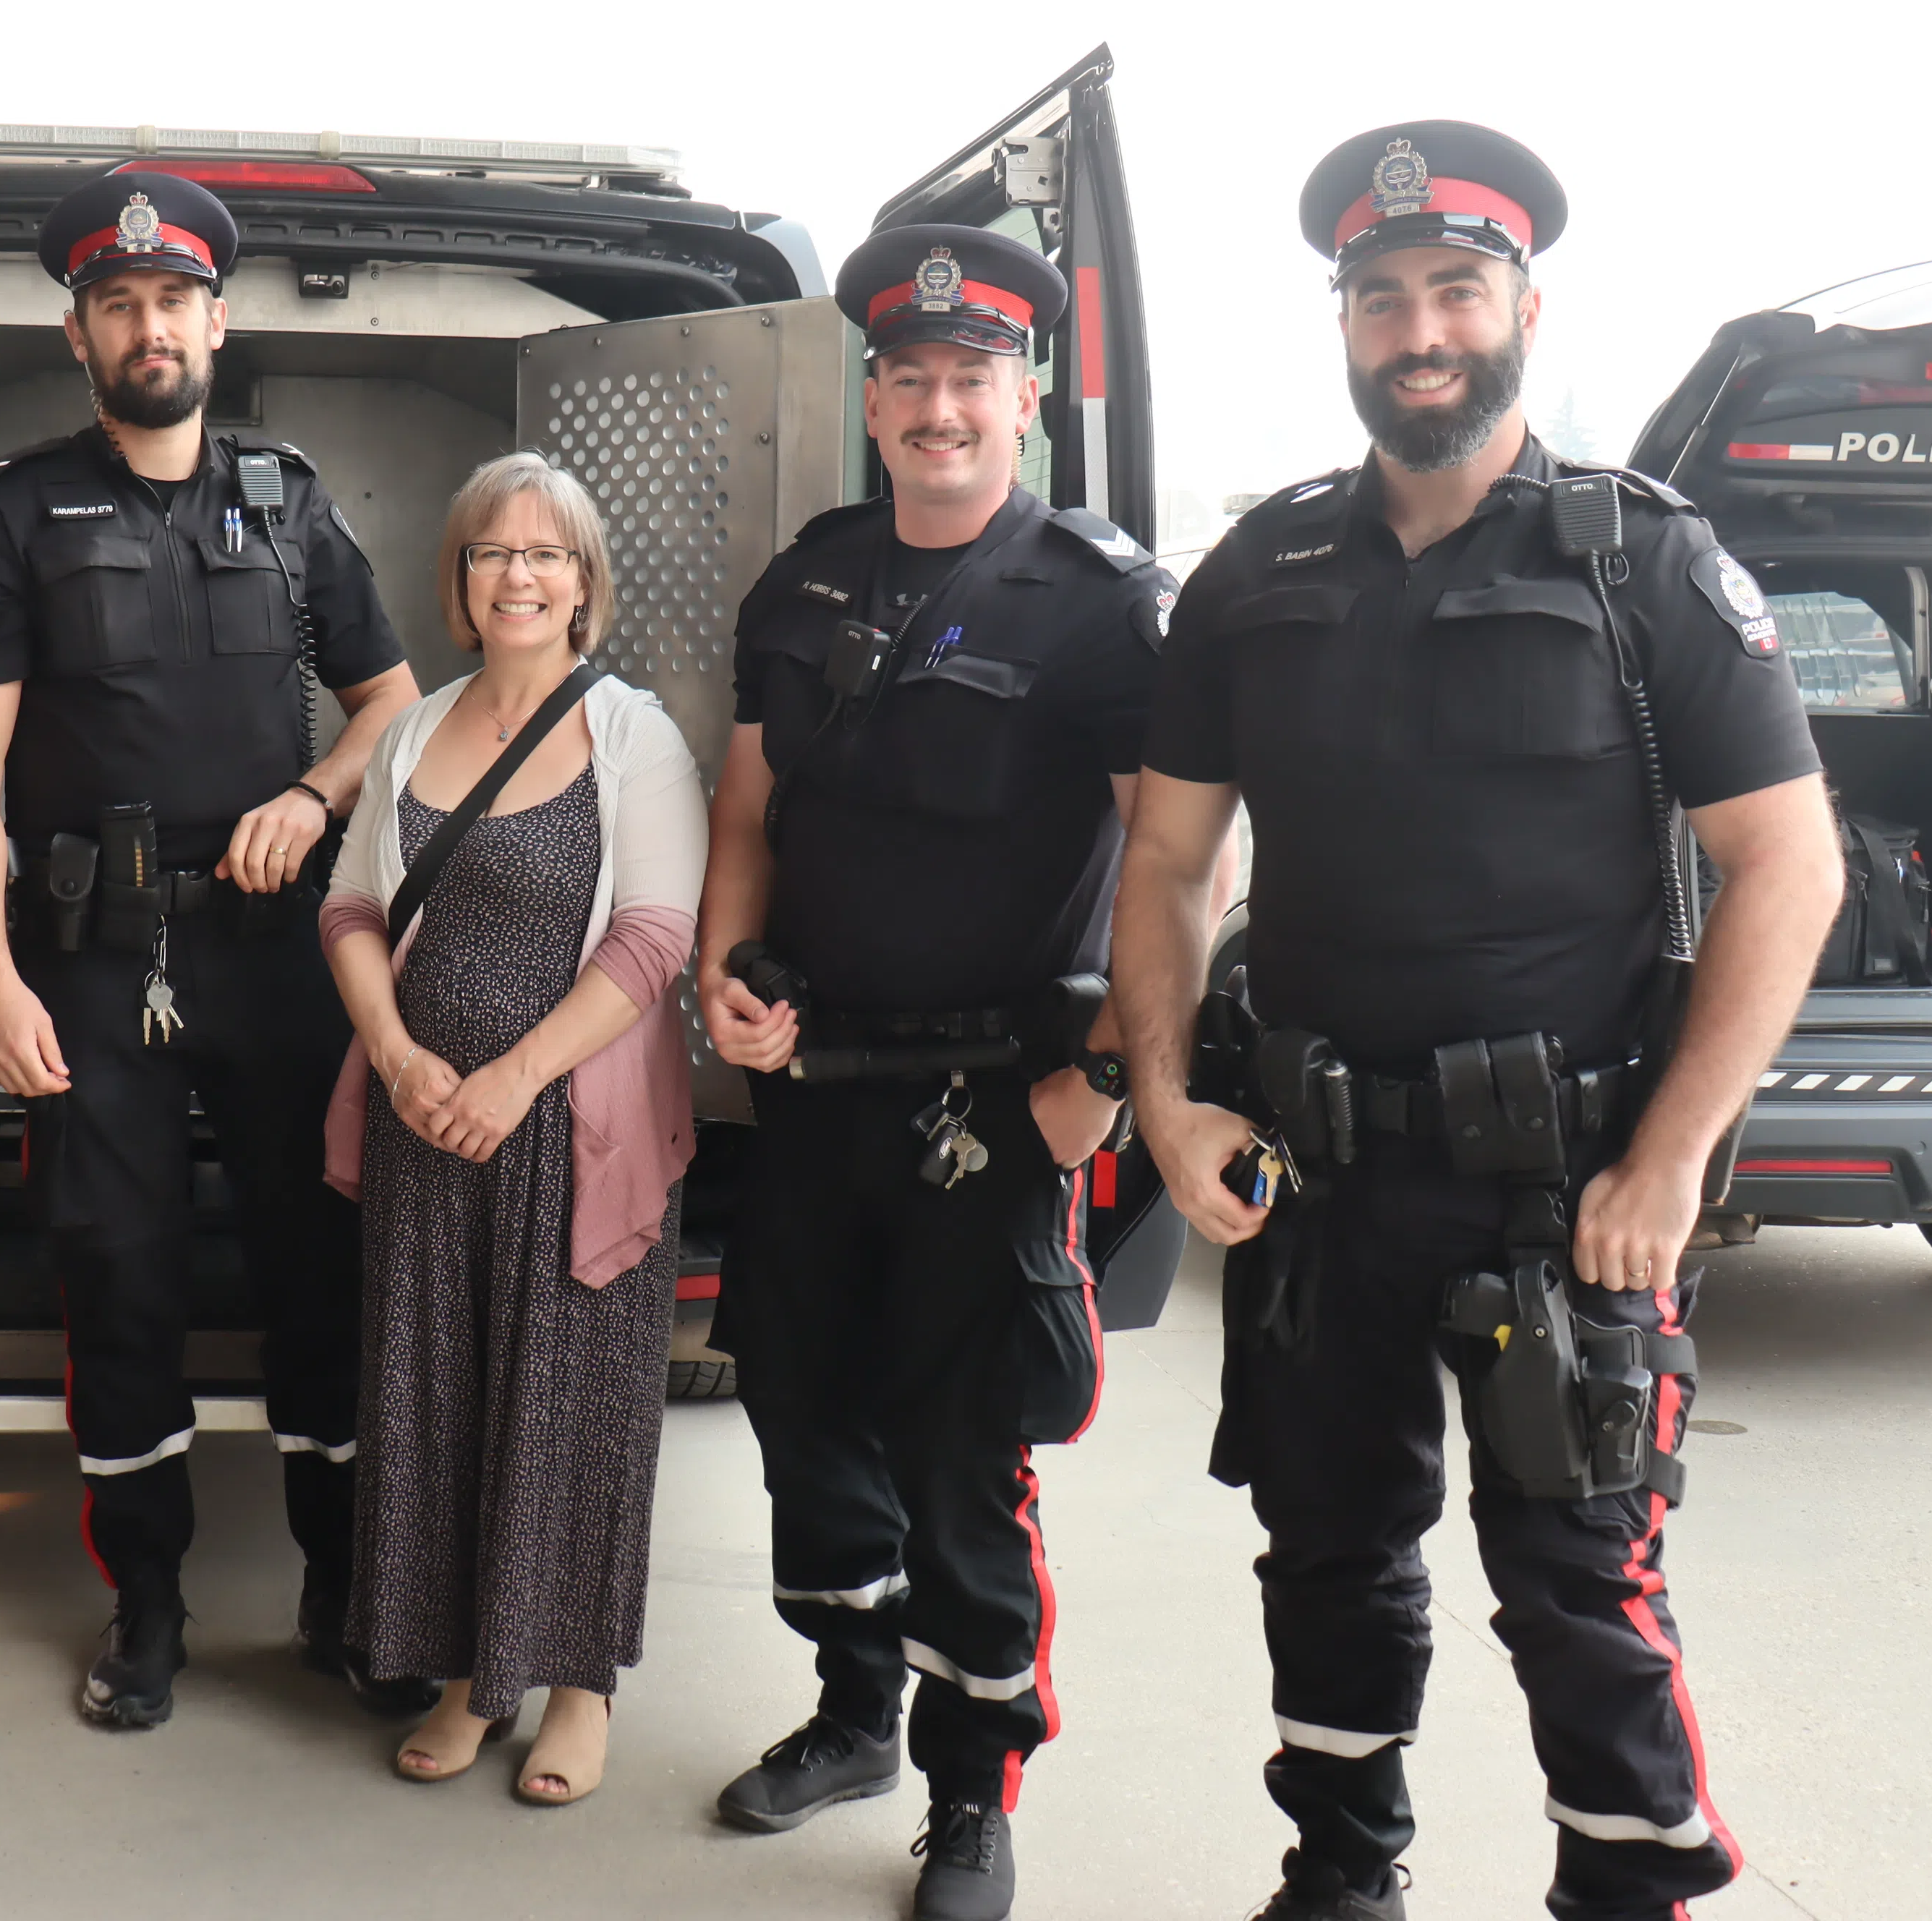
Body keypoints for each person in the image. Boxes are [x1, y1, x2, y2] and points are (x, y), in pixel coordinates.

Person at [1110, 123, 1842, 1921]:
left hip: (1565, 1192)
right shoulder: (1258, 572)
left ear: (1524, 306)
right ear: (1344, 326)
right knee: (1330, 1559)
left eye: (1455, 289)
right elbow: (1167, 865)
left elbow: (1790, 868)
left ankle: (1621, 1888)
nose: (1418, 328)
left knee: (1580, 1584)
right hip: (1319, 1183)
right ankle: (1340, 1875)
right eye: (1382, 298)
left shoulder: (1636, 564)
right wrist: (1166, 1100)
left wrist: (1669, 1158)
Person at [694, 225, 1188, 1920]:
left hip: (1001, 1102)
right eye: (908, 379)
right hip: (815, 1082)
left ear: (1024, 395)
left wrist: (1108, 1087)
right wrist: (722, 972)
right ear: (877, 399)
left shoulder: (1104, 601)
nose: (937, 407)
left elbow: (1177, 864)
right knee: (802, 1409)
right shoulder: (812, 574)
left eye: (969, 378)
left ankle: (973, 1791)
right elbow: (750, 812)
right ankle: (854, 1711)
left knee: (967, 1446)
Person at [0, 171, 424, 1728]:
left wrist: (313, 790)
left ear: (219, 318)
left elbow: (395, 707)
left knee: (319, 1265)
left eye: (174, 301)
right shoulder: (13, 512)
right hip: (86, 950)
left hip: (277, 950)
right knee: (116, 1278)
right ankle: (146, 1603)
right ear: (80, 332)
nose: (151, 327)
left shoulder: (288, 500)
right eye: (117, 304)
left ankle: (345, 1586)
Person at [319, 454, 705, 1803]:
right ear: (462, 580)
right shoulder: (418, 731)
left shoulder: (636, 736)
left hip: (567, 1133)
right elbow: (352, 914)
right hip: (427, 1122)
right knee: (434, 1402)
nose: (521, 576)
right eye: (494, 553)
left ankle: (578, 1689)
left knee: (569, 1409)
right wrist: (399, 1052)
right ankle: (466, 1681)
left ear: (585, 583)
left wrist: (514, 1078)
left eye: (548, 555)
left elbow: (658, 937)